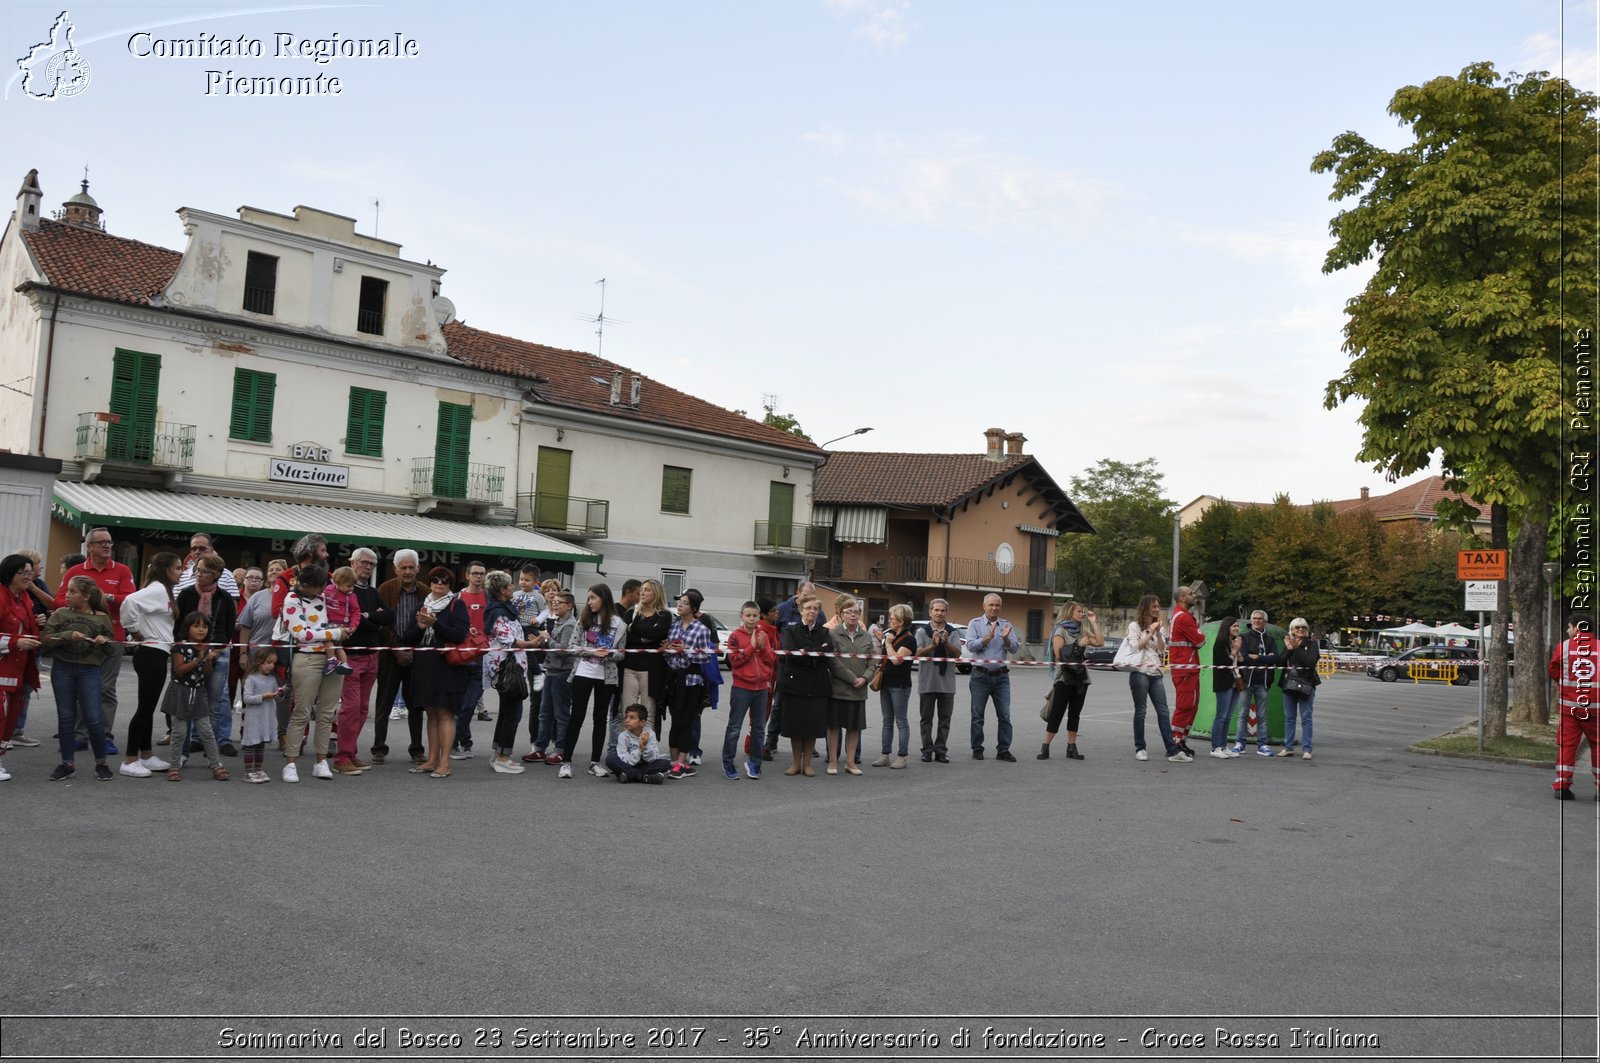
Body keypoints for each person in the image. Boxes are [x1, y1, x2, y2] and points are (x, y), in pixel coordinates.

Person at [54, 528, 137, 751]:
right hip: (80, 639)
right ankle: (81, 737)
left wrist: (107, 596)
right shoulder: (75, 571)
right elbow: (59, 601)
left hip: (112, 637)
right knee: (83, 688)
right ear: (90, 547)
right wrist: (82, 605)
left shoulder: (121, 570)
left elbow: (131, 599)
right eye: (102, 543)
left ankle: (105, 736)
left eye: (110, 542)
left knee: (106, 689)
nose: (108, 546)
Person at [39, 575, 117, 780]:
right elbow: (45, 641)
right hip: (62, 669)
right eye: (67, 591)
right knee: (66, 718)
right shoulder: (60, 614)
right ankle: (67, 763)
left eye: (72, 592)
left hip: (89, 670)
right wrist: (66, 635)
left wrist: (104, 641)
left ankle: (101, 763)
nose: (67, 595)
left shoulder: (101, 617)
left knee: (93, 717)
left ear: (86, 596)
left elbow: (111, 649)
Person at [278, 564, 349, 783]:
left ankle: (321, 761)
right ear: (305, 583)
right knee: (301, 711)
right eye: (319, 586)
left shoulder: (324, 598)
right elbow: (301, 633)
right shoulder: (291, 599)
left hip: (332, 656)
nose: (322, 589)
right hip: (306, 657)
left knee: (327, 713)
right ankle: (290, 763)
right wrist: (336, 632)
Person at [118, 553, 182, 778]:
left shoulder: (163, 591)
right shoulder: (157, 589)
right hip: (150, 652)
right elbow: (129, 602)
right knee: (145, 709)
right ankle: (129, 759)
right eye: (177, 568)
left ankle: (146, 754)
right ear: (165, 570)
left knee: (148, 707)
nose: (180, 572)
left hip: (156, 652)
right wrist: (135, 631)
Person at [406, 567, 472, 778]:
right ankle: (432, 759)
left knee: (445, 713)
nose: (440, 583)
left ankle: (445, 763)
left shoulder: (456, 604)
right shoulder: (422, 605)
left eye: (445, 581)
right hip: (424, 665)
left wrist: (436, 623)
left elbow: (460, 635)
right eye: (435, 579)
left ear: (450, 584)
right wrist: (420, 626)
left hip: (447, 667)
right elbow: (408, 637)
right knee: (431, 713)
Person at [557, 583, 627, 779]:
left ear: (603, 598)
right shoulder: (584, 619)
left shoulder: (619, 624)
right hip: (583, 672)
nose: (590, 602)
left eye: (593, 598)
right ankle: (566, 762)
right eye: (589, 598)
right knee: (576, 717)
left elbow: (621, 654)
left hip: (606, 676)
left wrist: (610, 654)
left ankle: (595, 762)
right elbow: (572, 646)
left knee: (600, 719)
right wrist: (592, 651)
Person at [174, 553, 238, 757]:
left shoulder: (225, 597)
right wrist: (185, 649)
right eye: (197, 570)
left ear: (217, 574)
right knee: (189, 697)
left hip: (217, 652)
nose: (199, 575)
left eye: (205, 571)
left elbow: (229, 629)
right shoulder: (186, 594)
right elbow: (178, 625)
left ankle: (208, 743)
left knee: (214, 701)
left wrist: (218, 650)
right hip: (189, 652)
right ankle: (191, 740)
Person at [335, 547, 390, 775]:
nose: (368, 567)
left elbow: (389, 616)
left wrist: (370, 617)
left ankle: (351, 752)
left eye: (372, 564)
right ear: (352, 562)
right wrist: (371, 618)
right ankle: (342, 758)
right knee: (350, 708)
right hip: (351, 656)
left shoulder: (373, 592)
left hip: (371, 656)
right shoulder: (343, 591)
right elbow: (352, 621)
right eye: (364, 562)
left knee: (362, 709)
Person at [162, 612, 229, 781]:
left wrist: (207, 660)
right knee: (179, 732)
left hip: (198, 693)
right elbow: (180, 669)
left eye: (205, 627)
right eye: (196, 626)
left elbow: (206, 674)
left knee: (206, 731)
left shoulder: (206, 648)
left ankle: (215, 764)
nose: (201, 630)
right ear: (187, 628)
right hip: (181, 693)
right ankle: (174, 765)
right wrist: (200, 659)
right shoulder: (180, 647)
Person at [484, 570, 538, 775]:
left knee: (507, 713)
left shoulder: (505, 608)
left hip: (511, 666)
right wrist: (532, 643)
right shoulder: (497, 611)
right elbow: (510, 640)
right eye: (510, 586)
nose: (513, 587)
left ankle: (498, 753)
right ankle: (503, 758)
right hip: (507, 668)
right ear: (501, 590)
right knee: (513, 714)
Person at [373, 549, 423, 764]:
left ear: (418, 568)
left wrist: (411, 650)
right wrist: (396, 649)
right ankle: (379, 748)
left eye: (411, 567)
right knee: (384, 703)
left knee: (416, 705)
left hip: (416, 655)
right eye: (403, 567)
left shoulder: (425, 591)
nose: (408, 571)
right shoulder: (384, 589)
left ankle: (417, 749)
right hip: (389, 654)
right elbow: (380, 623)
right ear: (395, 569)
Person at [1040, 600, 1104, 761]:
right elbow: (1059, 655)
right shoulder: (1060, 630)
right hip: (1065, 677)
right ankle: (1045, 747)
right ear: (1069, 612)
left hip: (1081, 678)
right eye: (1079, 611)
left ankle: (1071, 747)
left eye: (1082, 611)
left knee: (1075, 713)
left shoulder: (1082, 630)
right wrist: (1079, 647)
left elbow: (1100, 642)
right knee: (1057, 712)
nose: (1082, 614)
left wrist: (1093, 622)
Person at [1127, 593, 1187, 763]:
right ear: (1145, 608)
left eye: (1158, 606)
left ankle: (1171, 750)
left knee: (1163, 711)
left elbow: (1161, 651)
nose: (1157, 609)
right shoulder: (1134, 626)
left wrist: (1158, 633)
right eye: (1153, 606)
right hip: (1140, 672)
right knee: (1141, 711)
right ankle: (1140, 748)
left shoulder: (1159, 628)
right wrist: (1150, 630)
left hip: (1156, 673)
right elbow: (1135, 647)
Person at [0, 554, 43, 782]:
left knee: (11, 718)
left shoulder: (24, 598)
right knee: (1, 715)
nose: (30, 577)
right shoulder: (1, 597)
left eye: (31, 573)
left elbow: (24, 627)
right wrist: (16, 642)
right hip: (3, 668)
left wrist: (37, 624)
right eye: (23, 573)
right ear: (9, 574)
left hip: (20, 669)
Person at [777, 594, 830, 777]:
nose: (812, 612)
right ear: (801, 610)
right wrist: (815, 650)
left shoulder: (824, 632)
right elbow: (789, 655)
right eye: (808, 608)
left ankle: (807, 764)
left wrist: (805, 651)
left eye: (815, 609)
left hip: (817, 685)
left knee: (812, 726)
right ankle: (795, 763)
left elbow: (827, 653)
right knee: (796, 726)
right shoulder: (790, 630)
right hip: (795, 684)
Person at [663, 590, 714, 778]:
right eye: (679, 602)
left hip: (692, 681)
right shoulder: (674, 626)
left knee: (686, 722)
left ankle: (681, 762)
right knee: (675, 721)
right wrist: (667, 650)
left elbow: (706, 656)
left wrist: (686, 650)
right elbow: (667, 652)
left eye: (684, 602)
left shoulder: (702, 629)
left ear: (693, 607)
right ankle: (674, 761)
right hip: (675, 679)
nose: (680, 605)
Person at [723, 600, 775, 780]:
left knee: (759, 728)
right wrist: (752, 647)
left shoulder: (763, 635)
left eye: (755, 616)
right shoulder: (735, 636)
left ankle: (754, 763)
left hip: (761, 688)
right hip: (741, 687)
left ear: (759, 616)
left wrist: (761, 648)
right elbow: (735, 661)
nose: (752, 619)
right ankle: (728, 763)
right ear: (741, 616)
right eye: (748, 615)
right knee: (734, 727)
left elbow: (771, 660)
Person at [1550, 614, 1600, 800]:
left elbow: (1553, 669)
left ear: (1577, 629)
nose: (1567, 631)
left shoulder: (1564, 647)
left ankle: (1562, 787)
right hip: (1596, 709)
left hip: (1570, 708)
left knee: (1567, 746)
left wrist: (1565, 685)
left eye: (1569, 627)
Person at [825, 595, 875, 776]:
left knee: (854, 727)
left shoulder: (867, 636)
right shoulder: (832, 633)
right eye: (849, 612)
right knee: (834, 726)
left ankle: (851, 762)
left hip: (859, 690)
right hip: (838, 689)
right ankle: (832, 761)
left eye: (856, 612)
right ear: (841, 614)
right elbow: (833, 661)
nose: (853, 615)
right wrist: (851, 678)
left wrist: (865, 678)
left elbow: (873, 661)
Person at [967, 593, 1020, 761]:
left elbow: (1014, 649)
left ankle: (1003, 750)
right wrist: (987, 638)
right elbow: (970, 646)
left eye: (997, 605)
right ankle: (977, 748)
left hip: (1001, 677)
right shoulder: (974, 624)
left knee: (1004, 715)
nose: (994, 608)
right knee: (977, 715)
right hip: (980, 676)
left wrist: (1005, 639)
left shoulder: (1006, 624)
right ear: (984, 606)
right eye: (991, 605)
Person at [530, 590, 579, 764]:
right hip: (551, 671)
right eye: (554, 602)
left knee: (561, 714)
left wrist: (547, 638)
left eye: (560, 602)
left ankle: (560, 749)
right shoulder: (560, 621)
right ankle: (540, 748)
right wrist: (542, 641)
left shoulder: (570, 624)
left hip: (562, 673)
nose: (555, 604)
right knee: (545, 713)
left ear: (570, 606)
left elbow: (563, 650)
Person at [620, 578, 671, 740]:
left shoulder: (664, 615)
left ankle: (647, 748)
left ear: (657, 593)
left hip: (652, 670)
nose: (642, 592)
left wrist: (634, 628)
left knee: (649, 712)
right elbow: (625, 638)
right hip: (629, 668)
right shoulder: (631, 612)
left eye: (647, 589)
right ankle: (628, 746)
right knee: (628, 711)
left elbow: (657, 634)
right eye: (642, 589)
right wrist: (645, 637)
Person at [451, 560, 491, 757]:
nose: (479, 577)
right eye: (475, 573)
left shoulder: (489, 598)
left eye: (482, 574)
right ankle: (461, 742)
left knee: (470, 704)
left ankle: (459, 740)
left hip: (483, 657)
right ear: (467, 575)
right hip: (461, 655)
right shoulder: (457, 598)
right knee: (458, 704)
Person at [915, 598, 959, 763]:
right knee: (926, 719)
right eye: (936, 610)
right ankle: (927, 750)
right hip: (927, 682)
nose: (939, 613)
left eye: (942, 610)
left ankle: (941, 750)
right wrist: (932, 646)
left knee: (944, 720)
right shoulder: (922, 632)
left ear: (946, 612)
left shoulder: (952, 632)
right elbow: (917, 653)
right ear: (930, 612)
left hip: (947, 683)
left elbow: (957, 654)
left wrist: (946, 643)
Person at [874, 603, 916, 769]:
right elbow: (880, 658)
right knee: (887, 721)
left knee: (901, 721)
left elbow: (897, 660)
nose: (889, 620)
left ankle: (902, 756)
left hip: (900, 684)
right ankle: (885, 755)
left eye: (892, 618)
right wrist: (881, 643)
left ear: (901, 621)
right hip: (886, 683)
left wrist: (889, 644)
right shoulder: (890, 635)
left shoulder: (909, 639)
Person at [1168, 583, 1207, 756]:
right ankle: (1175, 741)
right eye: (1191, 593)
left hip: (1188, 667)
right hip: (1185, 668)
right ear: (1182, 598)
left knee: (1192, 706)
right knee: (1184, 706)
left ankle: (1181, 739)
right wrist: (1198, 632)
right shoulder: (1184, 617)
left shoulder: (1181, 615)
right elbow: (1200, 641)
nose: (1195, 595)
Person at [1232, 609, 1278, 756]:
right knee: (1242, 713)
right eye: (1254, 618)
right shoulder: (1244, 637)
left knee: (1262, 715)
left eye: (1260, 618)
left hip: (1264, 681)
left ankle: (1263, 745)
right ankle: (1240, 743)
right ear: (1251, 621)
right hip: (1246, 681)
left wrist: (1257, 657)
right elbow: (1244, 658)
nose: (1257, 621)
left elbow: (1275, 659)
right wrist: (1264, 659)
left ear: (1265, 621)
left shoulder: (1270, 640)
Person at [1276, 618, 1320, 760]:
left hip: (1307, 685)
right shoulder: (1289, 643)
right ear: (1292, 629)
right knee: (1289, 718)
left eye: (1303, 627)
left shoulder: (1312, 644)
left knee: (1306, 718)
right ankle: (1288, 747)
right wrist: (1289, 650)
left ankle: (1307, 749)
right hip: (1289, 685)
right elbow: (1280, 662)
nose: (1301, 629)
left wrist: (1297, 649)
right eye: (1297, 627)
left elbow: (1311, 663)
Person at [239, 648, 285, 783]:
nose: (271, 666)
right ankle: (248, 772)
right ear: (259, 662)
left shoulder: (272, 679)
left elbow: (276, 697)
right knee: (251, 744)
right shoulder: (251, 679)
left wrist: (280, 694)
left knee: (260, 744)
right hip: (254, 718)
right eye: (268, 662)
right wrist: (263, 696)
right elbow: (246, 698)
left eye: (273, 663)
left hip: (267, 717)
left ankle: (258, 770)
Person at [1209, 616, 1245, 759]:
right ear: (1227, 627)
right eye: (1234, 626)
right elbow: (1225, 662)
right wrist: (1235, 650)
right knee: (1221, 715)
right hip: (1223, 682)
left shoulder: (1232, 642)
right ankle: (1215, 747)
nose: (1236, 628)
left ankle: (1223, 746)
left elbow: (1241, 661)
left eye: (1237, 626)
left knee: (1228, 716)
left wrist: (1238, 652)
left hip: (1235, 681)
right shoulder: (1221, 642)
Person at [607, 703, 670, 784]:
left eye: (632, 718)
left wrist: (645, 746)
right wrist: (639, 750)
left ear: (642, 722)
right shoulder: (623, 736)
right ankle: (643, 777)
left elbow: (652, 759)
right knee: (610, 759)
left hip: (645, 765)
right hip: (628, 764)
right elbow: (624, 760)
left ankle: (627, 776)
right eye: (626, 717)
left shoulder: (650, 734)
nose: (627, 720)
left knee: (665, 764)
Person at [173, 531, 241, 599]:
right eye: (194, 549)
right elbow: (175, 605)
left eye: (202, 548)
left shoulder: (227, 575)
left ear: (211, 550)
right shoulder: (182, 576)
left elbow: (233, 605)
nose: (197, 552)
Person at [320, 566, 359, 677]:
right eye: (348, 586)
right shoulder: (328, 590)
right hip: (329, 621)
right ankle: (344, 664)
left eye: (353, 586)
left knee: (327, 639)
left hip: (341, 625)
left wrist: (354, 625)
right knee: (338, 646)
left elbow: (356, 611)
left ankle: (331, 659)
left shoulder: (351, 596)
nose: (351, 589)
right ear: (338, 582)